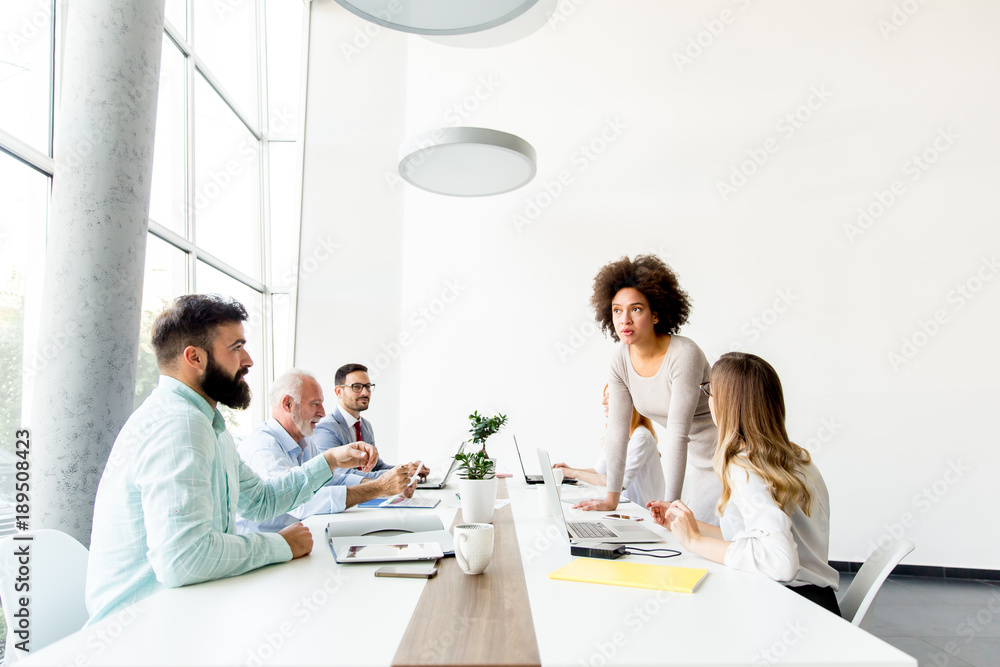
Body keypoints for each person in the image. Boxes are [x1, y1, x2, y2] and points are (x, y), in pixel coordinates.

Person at [86, 295, 379, 624]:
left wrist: (328, 461)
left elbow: (260, 500)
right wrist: (279, 545)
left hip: (187, 611)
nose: (249, 359)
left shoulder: (208, 424)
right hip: (141, 631)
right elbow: (185, 559)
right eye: (237, 347)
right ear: (194, 357)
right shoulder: (178, 425)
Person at [648, 352, 841, 615]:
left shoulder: (744, 467)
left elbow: (780, 562)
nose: (709, 401)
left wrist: (694, 541)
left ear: (727, 405)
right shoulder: (795, 458)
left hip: (793, 607)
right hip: (819, 605)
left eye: (710, 393)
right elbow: (755, 538)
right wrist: (688, 526)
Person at [575, 255, 720, 524]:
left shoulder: (683, 354)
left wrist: (669, 503)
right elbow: (618, 432)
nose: (624, 320)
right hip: (699, 462)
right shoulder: (620, 358)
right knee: (690, 537)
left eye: (636, 309)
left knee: (707, 538)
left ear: (656, 314)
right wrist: (611, 498)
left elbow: (677, 435)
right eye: (617, 310)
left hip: (731, 456)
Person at [236, 369, 416, 533]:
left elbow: (331, 479)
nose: (322, 412)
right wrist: (378, 488)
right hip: (269, 549)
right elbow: (299, 503)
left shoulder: (303, 440)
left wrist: (390, 483)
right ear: (288, 404)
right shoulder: (264, 449)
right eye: (315, 404)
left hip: (300, 537)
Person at [553, 384, 665, 507]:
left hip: (642, 511)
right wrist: (569, 469)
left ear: (629, 402)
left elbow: (618, 483)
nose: (603, 401)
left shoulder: (641, 436)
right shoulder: (615, 433)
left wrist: (572, 473)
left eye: (609, 397)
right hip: (624, 506)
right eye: (604, 396)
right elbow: (600, 471)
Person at [312, 363, 429, 480]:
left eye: (367, 386)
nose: (365, 392)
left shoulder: (365, 426)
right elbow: (344, 476)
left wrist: (406, 469)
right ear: (338, 391)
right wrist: (402, 473)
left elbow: (377, 467)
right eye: (357, 387)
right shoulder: (326, 429)